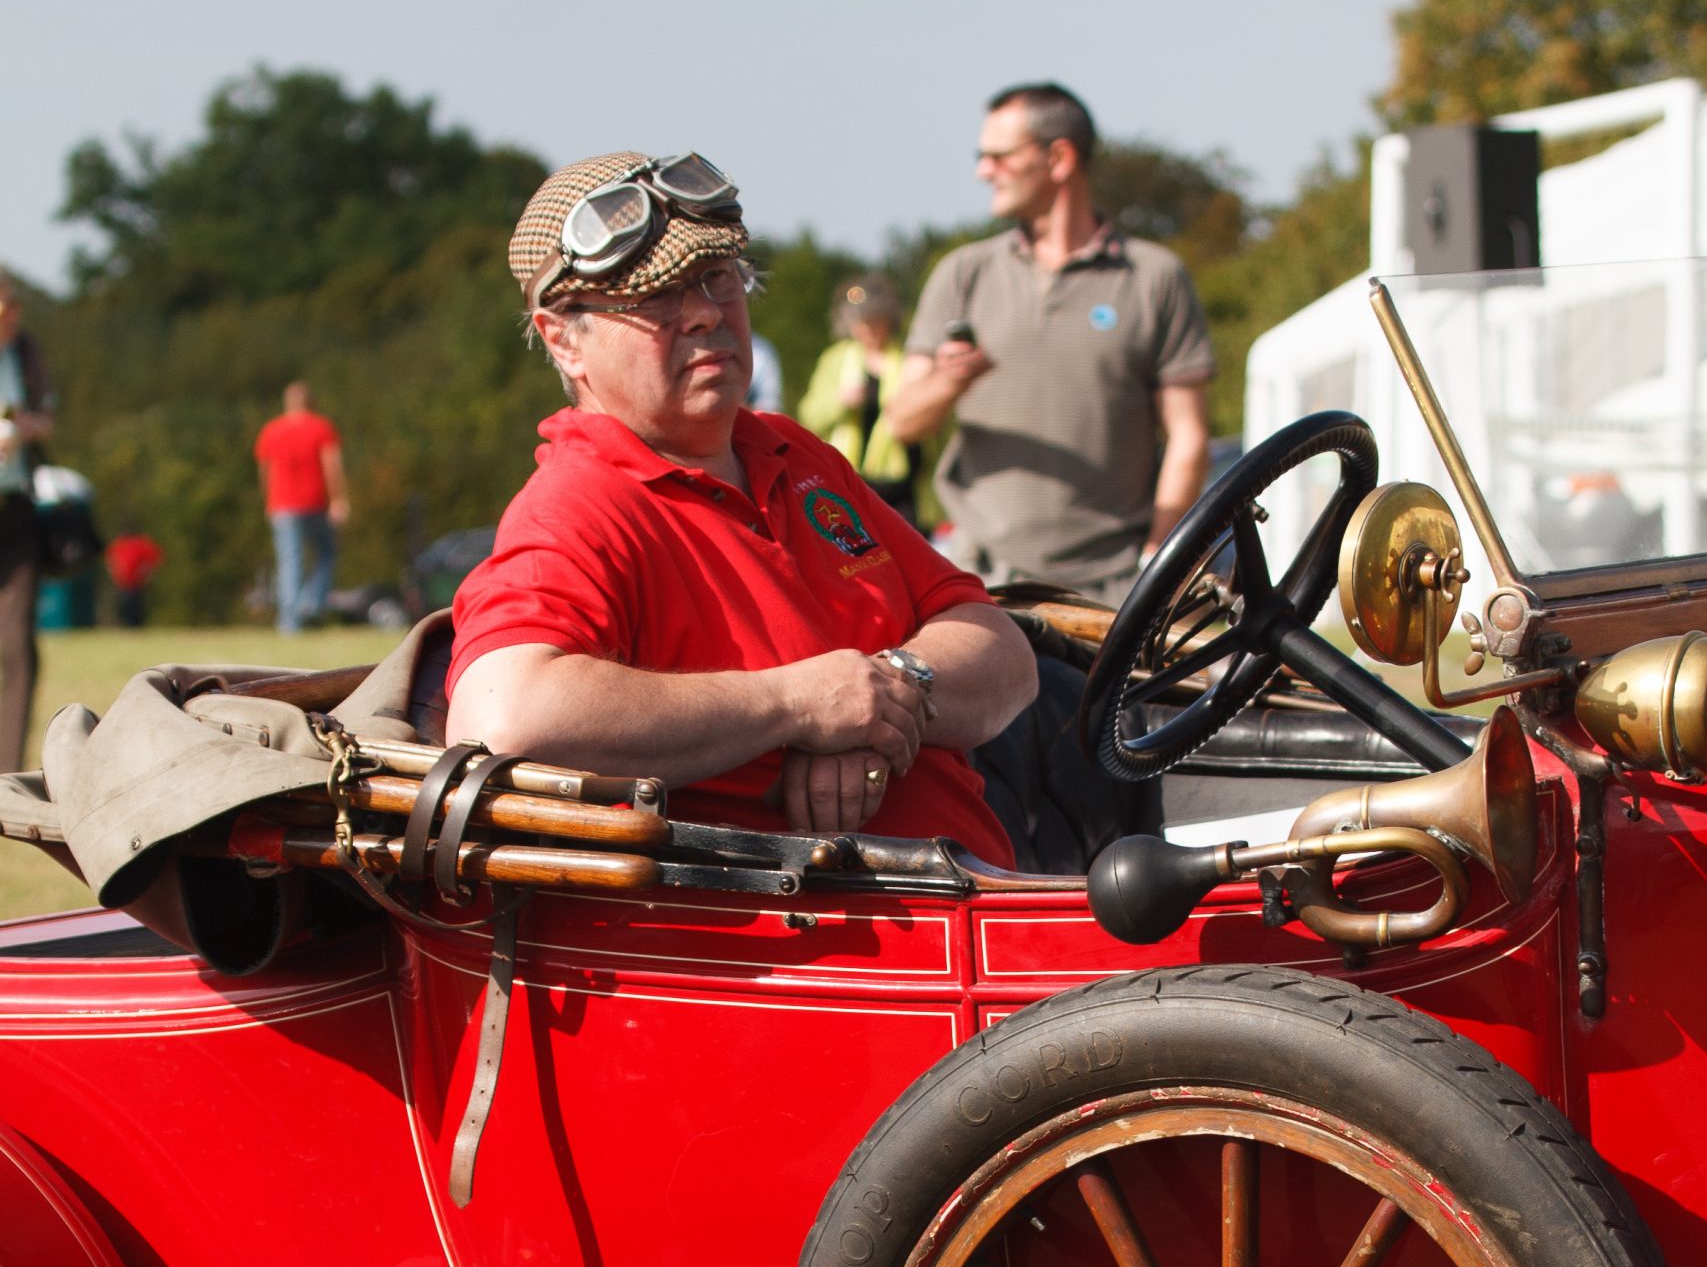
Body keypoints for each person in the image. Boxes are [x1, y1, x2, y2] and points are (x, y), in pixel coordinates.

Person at [446, 151, 1035, 851]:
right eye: (653, 296)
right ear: (563, 340)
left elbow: (1001, 649)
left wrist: (884, 691)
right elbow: (501, 715)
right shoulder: (577, 504)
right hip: (808, 948)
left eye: (716, 278)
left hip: (980, 911)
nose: (702, 313)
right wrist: (796, 705)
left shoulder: (794, 451)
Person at [886, 83, 1214, 601]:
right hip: (981, 581)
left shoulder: (1154, 277)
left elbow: (1188, 436)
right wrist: (951, 378)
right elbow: (901, 423)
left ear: (1059, 157)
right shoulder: (963, 274)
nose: (982, 171)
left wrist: (1159, 560)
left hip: (1116, 586)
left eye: (998, 156)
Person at [797, 273, 922, 525]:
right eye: (862, 322)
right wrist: (840, 402)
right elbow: (808, 415)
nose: (868, 329)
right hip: (845, 480)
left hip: (898, 486)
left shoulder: (909, 358)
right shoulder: (835, 359)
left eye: (875, 321)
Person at [0, 273, 54, 775]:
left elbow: (47, 418)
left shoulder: (24, 351)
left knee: (16, 642)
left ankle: (6, 770)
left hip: (15, 504)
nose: (7, 323)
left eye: (12, 314)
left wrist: (20, 428)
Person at [254, 381, 349, 633]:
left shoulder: (271, 430)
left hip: (282, 506)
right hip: (315, 503)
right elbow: (332, 466)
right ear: (311, 401)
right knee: (326, 555)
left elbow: (264, 471)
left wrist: (268, 500)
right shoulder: (321, 428)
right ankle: (310, 603)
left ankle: (290, 622)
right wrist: (338, 499)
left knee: (289, 562)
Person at [105, 528, 163, 629]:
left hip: (137, 582)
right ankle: (128, 626)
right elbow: (111, 560)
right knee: (124, 606)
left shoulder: (141, 544)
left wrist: (146, 572)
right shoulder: (119, 544)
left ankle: (136, 626)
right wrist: (115, 573)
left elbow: (154, 558)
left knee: (135, 606)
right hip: (123, 582)